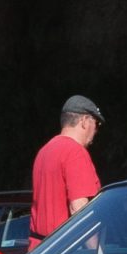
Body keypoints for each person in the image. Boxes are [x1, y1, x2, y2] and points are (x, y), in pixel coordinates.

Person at [30, 95, 103, 239]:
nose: (96, 130)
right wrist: (96, 252)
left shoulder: (44, 151)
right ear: (84, 121)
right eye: (96, 123)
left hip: (39, 250)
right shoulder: (75, 152)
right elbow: (79, 209)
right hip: (65, 252)